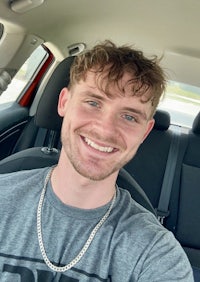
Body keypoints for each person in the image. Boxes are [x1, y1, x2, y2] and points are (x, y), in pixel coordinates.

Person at [0, 41, 194, 281]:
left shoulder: (157, 254)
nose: (105, 130)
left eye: (129, 116)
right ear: (63, 102)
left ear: (145, 132)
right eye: (93, 102)